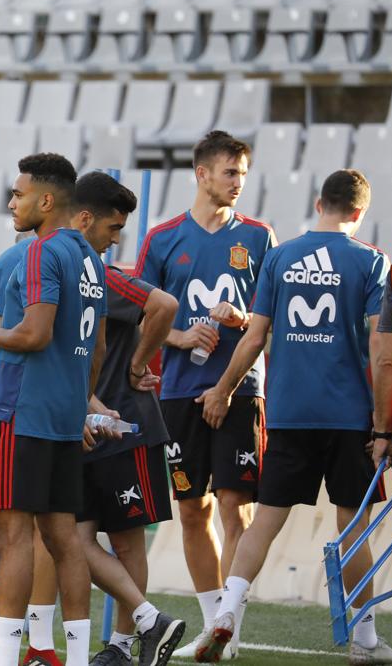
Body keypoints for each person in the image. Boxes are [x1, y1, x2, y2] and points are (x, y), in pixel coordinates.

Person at [191, 169, 392, 664]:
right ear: (359, 212)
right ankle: (365, 641)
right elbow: (382, 351)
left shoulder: (281, 256)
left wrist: (222, 388)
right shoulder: (372, 262)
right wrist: (382, 425)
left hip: (289, 413)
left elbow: (253, 337)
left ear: (318, 203)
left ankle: (226, 613)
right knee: (353, 527)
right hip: (350, 417)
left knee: (265, 520)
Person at [134, 131, 276, 658]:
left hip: (240, 390)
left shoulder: (260, 237)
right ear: (202, 174)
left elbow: (275, 319)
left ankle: (229, 625)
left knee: (236, 508)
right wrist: (179, 335)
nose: (238, 182)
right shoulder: (163, 238)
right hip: (179, 394)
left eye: (242, 173)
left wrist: (242, 319)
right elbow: (140, 315)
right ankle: (210, 619)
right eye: (230, 172)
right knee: (193, 508)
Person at [0, 153, 108, 666]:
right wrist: (77, 400)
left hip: (22, 413)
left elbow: (34, 333)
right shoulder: (90, 256)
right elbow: (101, 349)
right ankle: (73, 655)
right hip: (63, 417)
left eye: (19, 194)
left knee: (13, 532)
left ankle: (3, 655)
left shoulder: (39, 252)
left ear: (46, 201)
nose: (11, 203)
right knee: (63, 535)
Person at [69, 172, 186, 666]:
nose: (116, 239)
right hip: (86, 427)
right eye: (113, 228)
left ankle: (122, 645)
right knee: (73, 539)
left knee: (126, 539)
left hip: (126, 427)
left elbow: (164, 303)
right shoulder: (71, 267)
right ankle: (145, 622)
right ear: (85, 217)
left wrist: (139, 364)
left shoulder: (100, 274)